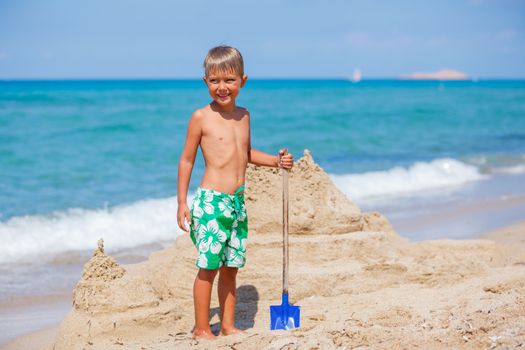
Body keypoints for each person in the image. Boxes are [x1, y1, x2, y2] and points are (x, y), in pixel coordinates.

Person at [176, 46, 294, 339]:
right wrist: (182, 202)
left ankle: (227, 325)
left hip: (237, 204)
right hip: (211, 203)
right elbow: (187, 159)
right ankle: (202, 328)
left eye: (229, 80)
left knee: (231, 268)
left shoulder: (244, 116)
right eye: (214, 80)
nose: (222, 87)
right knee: (208, 267)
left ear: (243, 80)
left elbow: (247, 152)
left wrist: (276, 162)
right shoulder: (200, 117)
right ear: (205, 82)